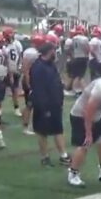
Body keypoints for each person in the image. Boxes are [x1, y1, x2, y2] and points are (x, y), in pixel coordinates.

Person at [30, 34, 71, 167]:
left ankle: (63, 155)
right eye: (54, 51)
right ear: (49, 52)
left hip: (55, 104)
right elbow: (38, 88)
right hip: (45, 106)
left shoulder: (50, 65)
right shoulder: (38, 67)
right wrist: (44, 107)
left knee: (58, 130)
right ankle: (45, 157)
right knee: (43, 132)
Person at [19, 33, 45, 135]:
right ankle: (26, 127)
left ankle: (31, 125)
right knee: (30, 105)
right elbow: (26, 69)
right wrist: (29, 83)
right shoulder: (32, 53)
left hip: (32, 80)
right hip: (31, 81)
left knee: (31, 104)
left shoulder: (31, 52)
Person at [1, 27, 23, 117]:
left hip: (14, 68)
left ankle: (16, 108)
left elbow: (20, 56)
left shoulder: (17, 43)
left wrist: (19, 66)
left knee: (15, 90)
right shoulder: (2, 44)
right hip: (3, 69)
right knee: (0, 90)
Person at [70, 25, 90, 96]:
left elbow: (72, 47)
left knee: (77, 75)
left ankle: (80, 90)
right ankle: (78, 90)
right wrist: (87, 55)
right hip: (83, 57)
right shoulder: (84, 38)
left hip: (76, 57)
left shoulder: (74, 38)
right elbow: (87, 49)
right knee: (79, 75)